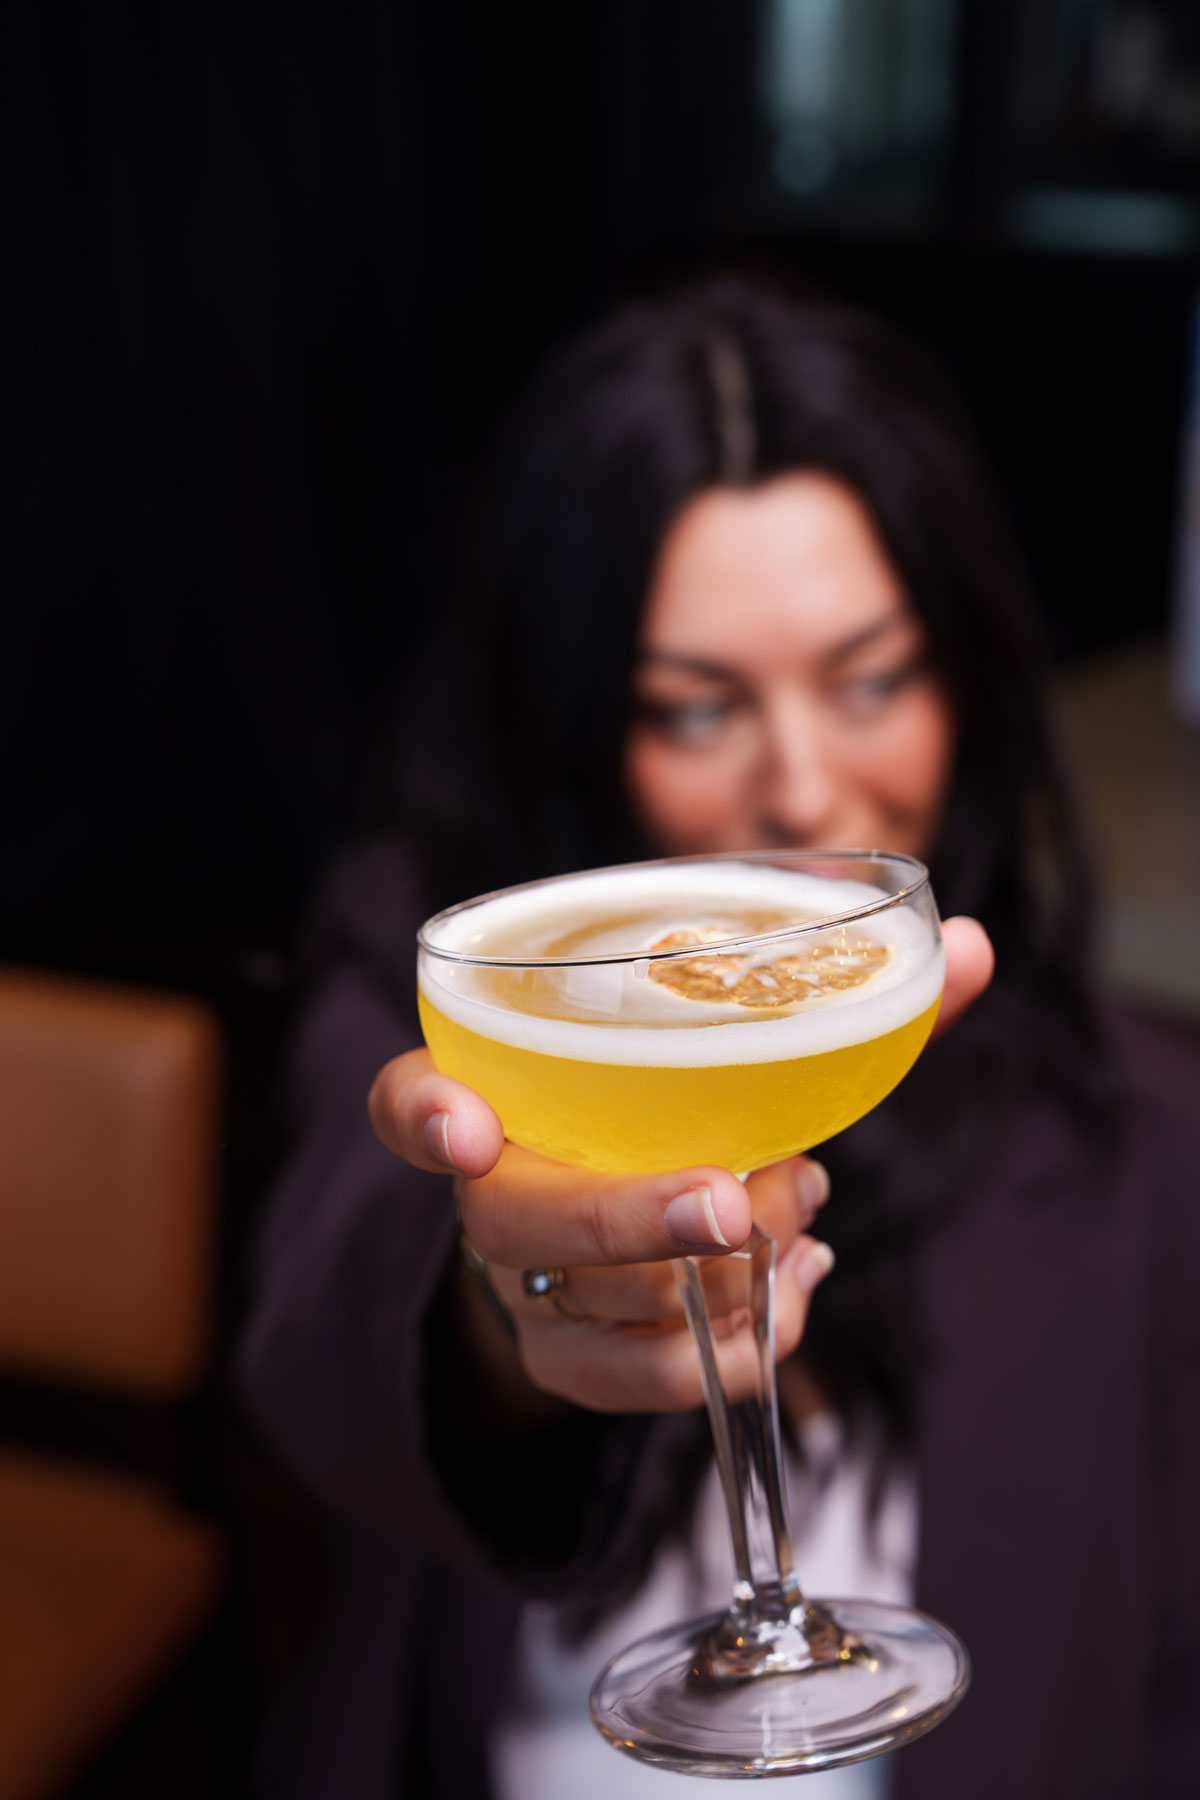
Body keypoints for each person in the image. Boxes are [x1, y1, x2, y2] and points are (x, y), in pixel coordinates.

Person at [238, 278, 1200, 1800]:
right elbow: (312, 1344)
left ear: (971, 680)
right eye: (698, 709)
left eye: (873, 678)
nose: (807, 790)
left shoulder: (1141, 1131)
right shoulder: (440, 971)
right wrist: (509, 1310)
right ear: (569, 719)